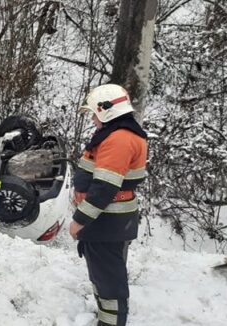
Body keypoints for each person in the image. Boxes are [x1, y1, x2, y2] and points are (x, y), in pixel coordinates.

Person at [71, 84, 147, 326]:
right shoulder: (119, 134)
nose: (93, 119)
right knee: (104, 276)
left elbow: (104, 188)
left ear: (107, 110)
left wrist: (79, 221)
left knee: (109, 280)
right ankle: (108, 317)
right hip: (108, 222)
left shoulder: (119, 139)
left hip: (107, 221)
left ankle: (111, 322)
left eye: (94, 113)